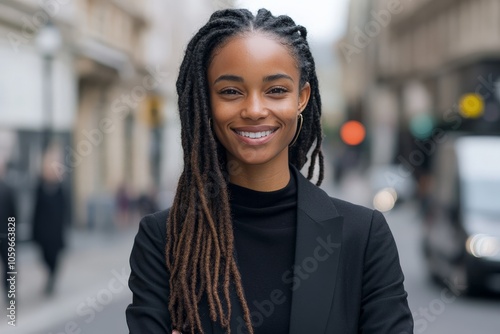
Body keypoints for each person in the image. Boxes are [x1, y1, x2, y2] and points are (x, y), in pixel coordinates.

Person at [126, 8, 413, 334]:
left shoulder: (364, 236)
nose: (254, 110)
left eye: (276, 90)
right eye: (231, 91)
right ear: (207, 100)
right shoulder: (163, 238)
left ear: (302, 98)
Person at [32, 146, 67, 295]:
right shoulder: (40, 186)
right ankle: (50, 277)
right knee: (44, 256)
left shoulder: (60, 189)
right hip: (42, 231)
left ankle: (51, 280)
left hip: (55, 232)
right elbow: (36, 210)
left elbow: (64, 212)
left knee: (54, 258)